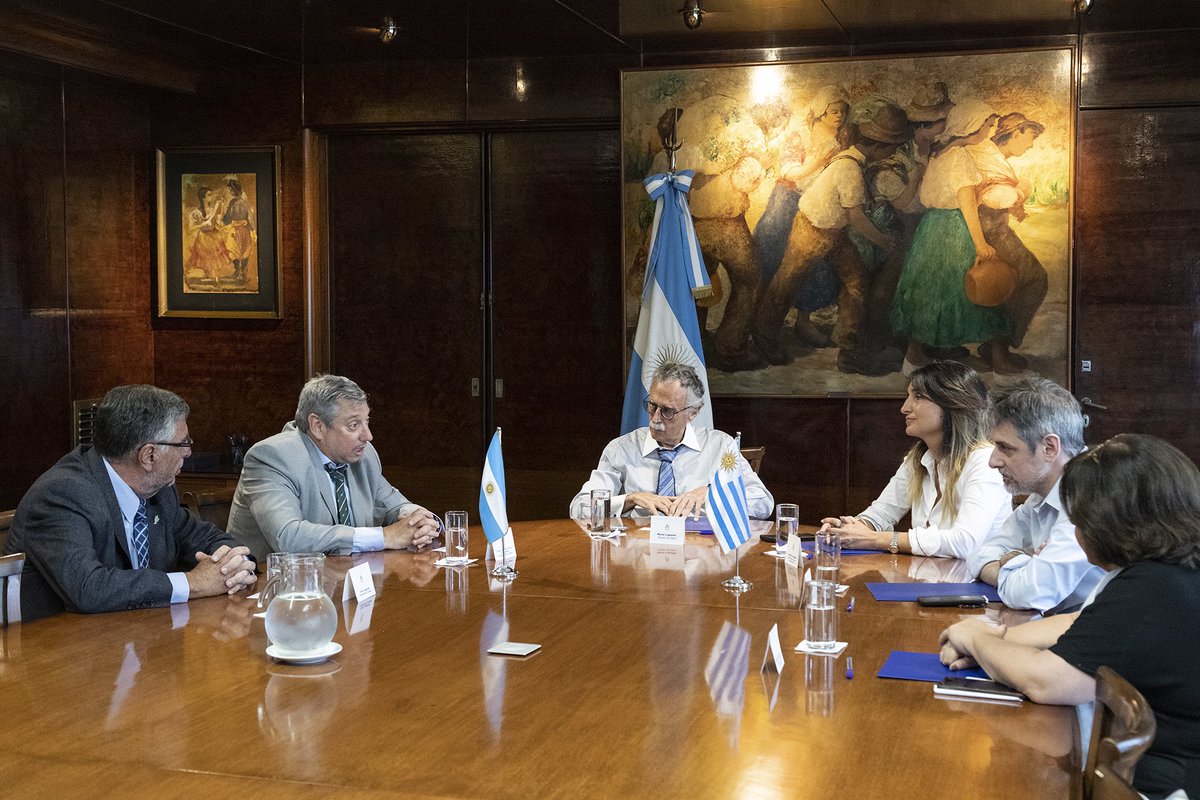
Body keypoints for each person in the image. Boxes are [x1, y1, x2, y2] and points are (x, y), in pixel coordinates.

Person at [940, 434, 1200, 800]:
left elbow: (1048, 683)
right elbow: (1084, 622)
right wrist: (998, 639)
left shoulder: (1154, 586)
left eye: (1078, 522)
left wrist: (976, 639)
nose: (1075, 535)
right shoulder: (1172, 571)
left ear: (1110, 524)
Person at [4, 385, 255, 621]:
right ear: (149, 455)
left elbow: (209, 538)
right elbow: (89, 588)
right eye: (183, 443)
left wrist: (233, 564)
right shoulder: (63, 494)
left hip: (137, 638)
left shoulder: (158, 491)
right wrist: (193, 583)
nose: (188, 452)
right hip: (55, 652)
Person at [752, 99, 909, 373]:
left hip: (833, 233)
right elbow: (856, 217)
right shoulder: (849, 168)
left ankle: (850, 351)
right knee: (786, 282)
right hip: (811, 230)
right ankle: (764, 337)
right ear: (879, 146)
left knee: (856, 282)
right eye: (892, 148)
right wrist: (883, 240)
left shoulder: (852, 161)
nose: (892, 153)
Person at [227, 374, 441, 559]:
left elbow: (395, 505)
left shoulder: (363, 456)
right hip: (267, 592)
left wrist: (420, 520)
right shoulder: (273, 457)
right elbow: (288, 536)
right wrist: (384, 536)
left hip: (341, 580)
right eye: (354, 425)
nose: (368, 436)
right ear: (318, 426)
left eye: (367, 422)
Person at [819, 360, 1009, 558]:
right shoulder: (918, 458)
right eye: (908, 396)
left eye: (917, 397)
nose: (904, 408)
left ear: (951, 404)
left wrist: (877, 539)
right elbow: (882, 513)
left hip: (974, 585)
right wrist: (850, 528)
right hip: (932, 579)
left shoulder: (985, 462)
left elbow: (964, 542)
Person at [889, 99, 1013, 373]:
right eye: (987, 125)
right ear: (971, 126)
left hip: (931, 229)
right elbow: (966, 201)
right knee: (978, 287)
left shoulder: (941, 154)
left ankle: (916, 356)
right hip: (954, 230)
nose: (990, 130)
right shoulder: (960, 157)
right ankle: (999, 359)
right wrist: (980, 243)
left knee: (933, 291)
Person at [967, 378, 1105, 613]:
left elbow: (1032, 592)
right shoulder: (1043, 491)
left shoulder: (1092, 492)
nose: (992, 461)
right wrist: (1025, 565)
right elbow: (978, 555)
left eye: (1006, 448)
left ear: (1050, 448)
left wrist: (1011, 560)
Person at [571, 362, 773, 519]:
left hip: (700, 555)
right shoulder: (621, 449)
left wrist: (713, 494)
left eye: (667, 411)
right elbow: (579, 508)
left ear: (693, 412)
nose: (655, 418)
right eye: (652, 406)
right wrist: (630, 499)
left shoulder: (720, 447)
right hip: (637, 557)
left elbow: (763, 503)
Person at [975, 111, 1049, 373]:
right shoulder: (987, 158)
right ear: (1015, 132)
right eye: (1030, 136)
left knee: (1022, 281)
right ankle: (999, 351)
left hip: (997, 230)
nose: (1031, 144)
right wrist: (1020, 191)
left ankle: (998, 347)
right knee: (1024, 281)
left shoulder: (997, 159)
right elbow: (992, 197)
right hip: (988, 235)